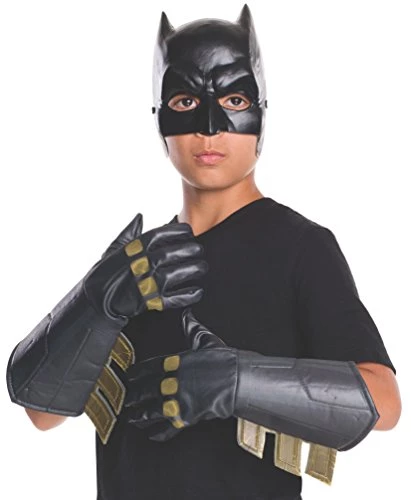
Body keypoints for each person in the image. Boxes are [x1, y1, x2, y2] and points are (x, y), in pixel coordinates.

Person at [6, 4, 401, 500]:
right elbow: (40, 411)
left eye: (234, 99)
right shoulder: (138, 265)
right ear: (159, 117)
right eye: (186, 101)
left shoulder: (300, 246)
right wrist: (96, 301)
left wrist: (237, 381)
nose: (210, 128)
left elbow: (383, 402)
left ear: (260, 112)